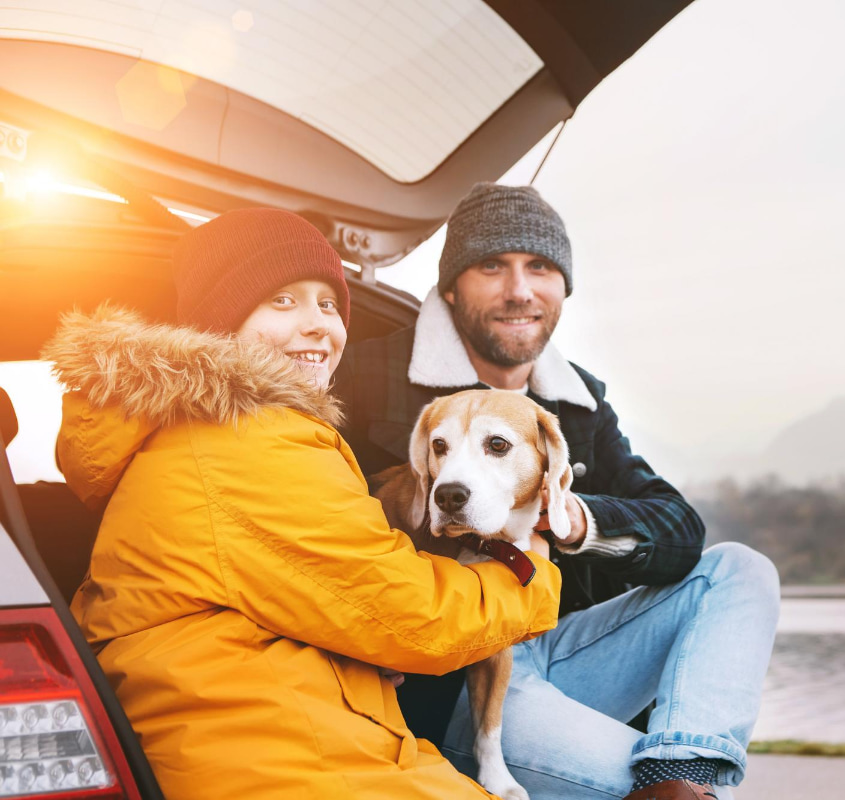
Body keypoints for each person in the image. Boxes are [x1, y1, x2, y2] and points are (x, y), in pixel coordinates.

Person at [43, 208, 562, 800]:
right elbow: (415, 618)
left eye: (327, 302)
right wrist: (534, 575)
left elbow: (331, 599)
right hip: (286, 762)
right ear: (219, 322)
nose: (319, 325)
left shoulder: (209, 436)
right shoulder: (243, 440)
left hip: (289, 740)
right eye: (282, 301)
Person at [336, 184, 781, 800]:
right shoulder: (365, 374)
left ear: (562, 290)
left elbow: (682, 531)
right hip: (463, 678)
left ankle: (686, 767)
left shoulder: (581, 405)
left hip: (562, 650)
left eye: (539, 267)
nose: (519, 289)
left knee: (740, 570)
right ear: (450, 288)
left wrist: (571, 520)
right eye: (492, 265)